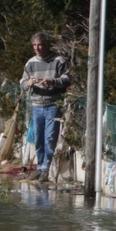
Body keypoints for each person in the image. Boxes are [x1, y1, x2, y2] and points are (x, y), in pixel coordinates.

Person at [19, 32, 70, 182]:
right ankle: (40, 165)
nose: (37, 48)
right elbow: (22, 82)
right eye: (34, 45)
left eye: (40, 45)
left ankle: (47, 167)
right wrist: (28, 83)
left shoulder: (58, 61)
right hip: (36, 105)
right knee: (38, 138)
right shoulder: (31, 63)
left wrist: (52, 82)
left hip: (53, 104)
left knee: (50, 137)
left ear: (47, 45)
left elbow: (67, 78)